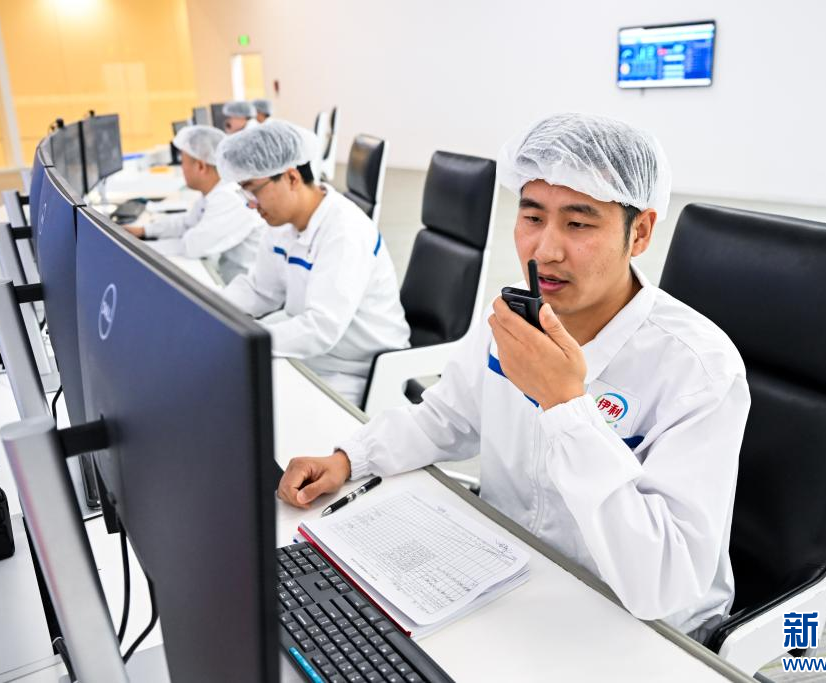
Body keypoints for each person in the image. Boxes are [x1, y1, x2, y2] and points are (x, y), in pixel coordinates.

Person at [276, 113, 751, 642]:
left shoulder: (698, 369)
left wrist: (565, 405)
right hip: (512, 576)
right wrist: (351, 458)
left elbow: (662, 583)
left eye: (578, 224)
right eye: (532, 217)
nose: (545, 250)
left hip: (642, 627)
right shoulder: (511, 317)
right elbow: (446, 417)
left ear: (638, 233)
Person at [216, 120, 411, 405]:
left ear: (291, 178)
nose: (249, 203)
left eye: (252, 190)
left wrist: (243, 340)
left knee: (253, 407)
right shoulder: (281, 223)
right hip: (314, 355)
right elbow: (260, 290)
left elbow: (321, 328)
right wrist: (210, 310)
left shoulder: (344, 231)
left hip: (358, 370)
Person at [126, 125, 264, 280]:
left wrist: (137, 248)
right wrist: (144, 231)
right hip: (223, 275)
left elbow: (192, 246)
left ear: (201, 166)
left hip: (235, 287)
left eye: (183, 162)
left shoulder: (229, 198)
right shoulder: (216, 191)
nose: (182, 168)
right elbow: (187, 223)